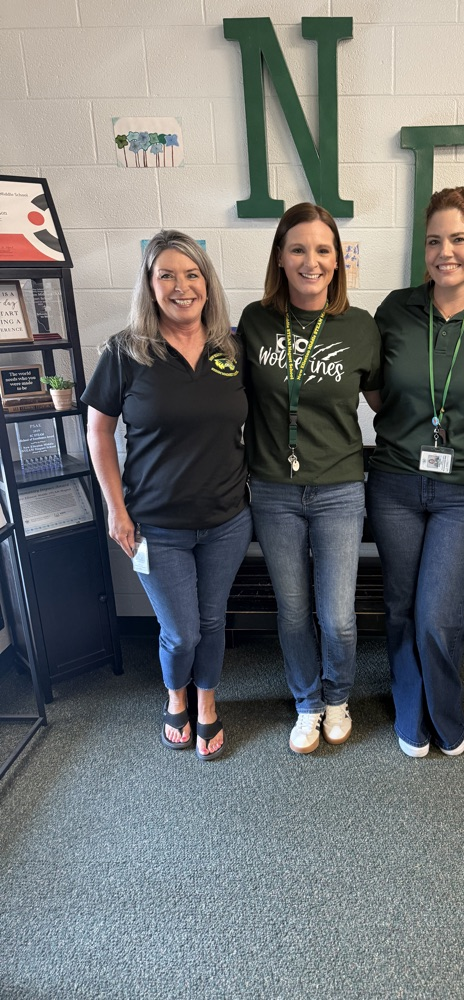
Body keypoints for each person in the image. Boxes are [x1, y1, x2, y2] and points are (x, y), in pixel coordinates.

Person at [82, 230, 252, 761]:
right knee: (180, 633)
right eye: (167, 276)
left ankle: (205, 704)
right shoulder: (125, 351)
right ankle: (173, 696)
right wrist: (116, 508)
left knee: (211, 621)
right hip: (155, 525)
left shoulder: (233, 347)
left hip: (227, 518)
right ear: (150, 286)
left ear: (207, 282)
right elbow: (98, 431)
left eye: (192, 274)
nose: (182, 287)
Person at [365, 187, 464, 757]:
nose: (444, 251)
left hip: (462, 491)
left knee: (438, 612)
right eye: (434, 241)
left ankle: (445, 712)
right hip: (396, 482)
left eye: (457, 239)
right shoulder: (395, 309)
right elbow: (378, 392)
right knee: (402, 606)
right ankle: (411, 711)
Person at [237, 203, 381, 754]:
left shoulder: (360, 327)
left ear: (338, 260)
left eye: (324, 250)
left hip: (340, 488)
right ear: (280, 255)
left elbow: (384, 403)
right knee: (293, 609)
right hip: (272, 488)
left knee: (337, 614)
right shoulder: (255, 320)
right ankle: (306, 703)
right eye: (298, 248)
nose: (311, 261)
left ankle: (338, 696)